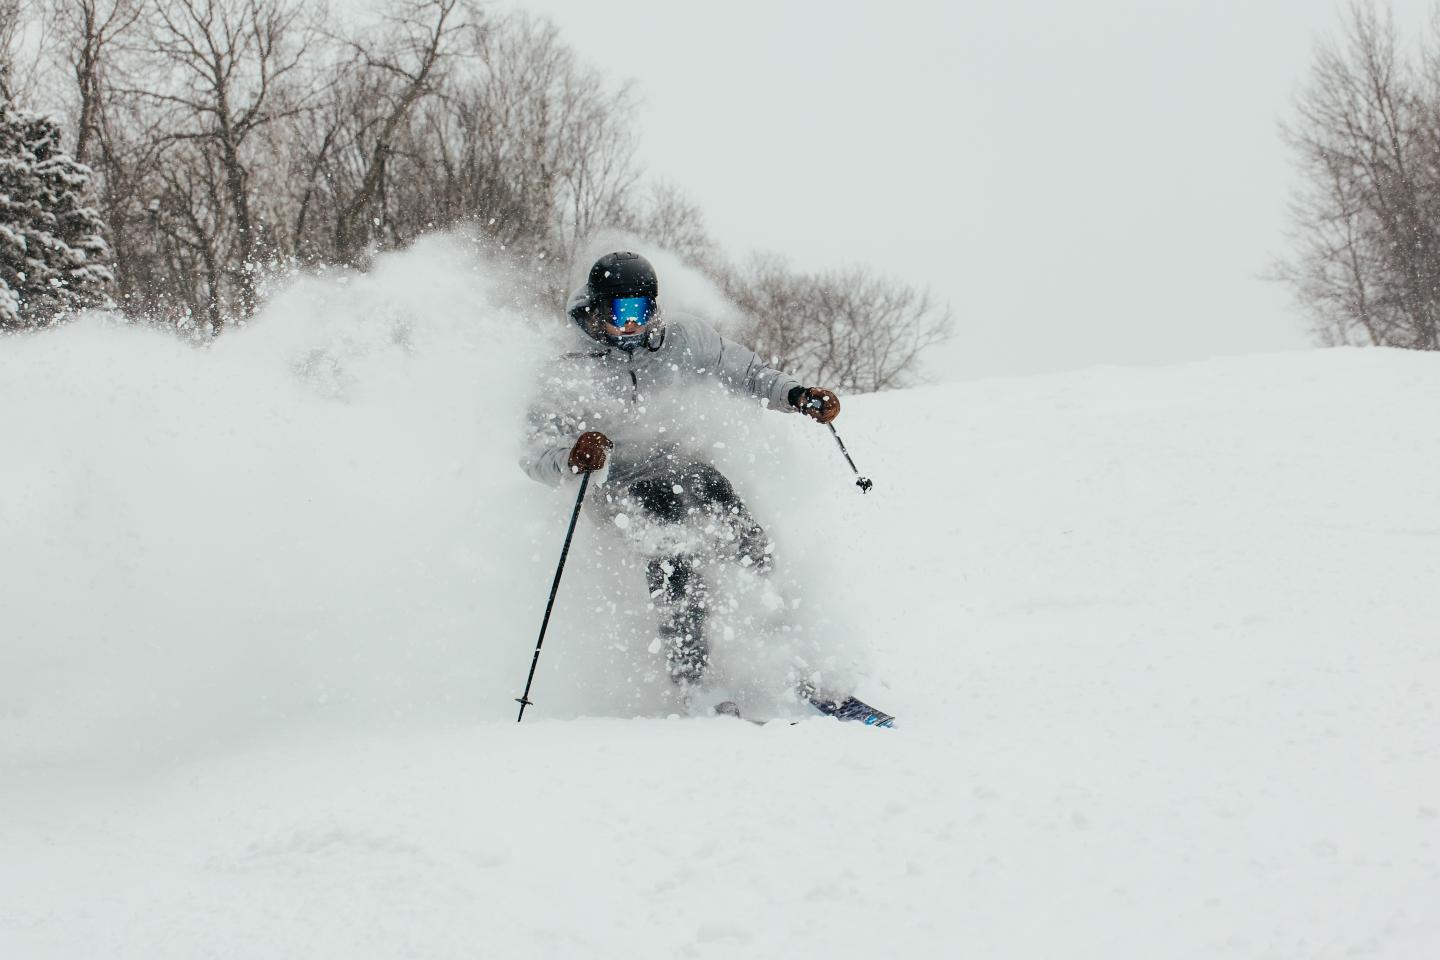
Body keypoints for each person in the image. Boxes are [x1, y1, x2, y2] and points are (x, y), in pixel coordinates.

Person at [520, 251, 893, 727]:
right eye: (620, 313)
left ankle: (790, 655)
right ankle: (693, 679)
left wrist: (798, 397)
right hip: (618, 481)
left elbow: (748, 371)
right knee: (673, 543)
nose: (632, 325)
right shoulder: (567, 365)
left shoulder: (683, 338)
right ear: (596, 309)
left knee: (741, 531)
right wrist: (574, 456)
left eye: (642, 311)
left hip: (684, 464)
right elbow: (535, 453)